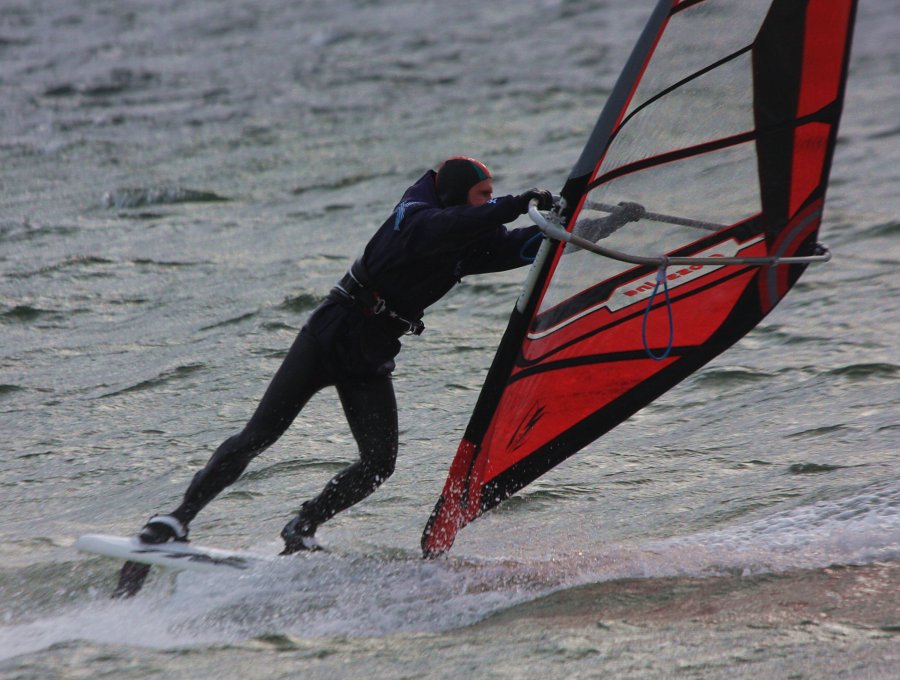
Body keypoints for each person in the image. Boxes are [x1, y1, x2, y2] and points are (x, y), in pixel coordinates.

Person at [116, 157, 552, 593]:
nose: (490, 202)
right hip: (329, 335)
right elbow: (439, 228)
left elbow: (524, 247)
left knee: (379, 464)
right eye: (483, 195)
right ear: (457, 196)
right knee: (259, 435)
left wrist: (589, 221)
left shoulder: (469, 236)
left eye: (492, 196)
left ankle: (302, 527)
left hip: (371, 353)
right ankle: (173, 520)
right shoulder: (414, 215)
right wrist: (514, 203)